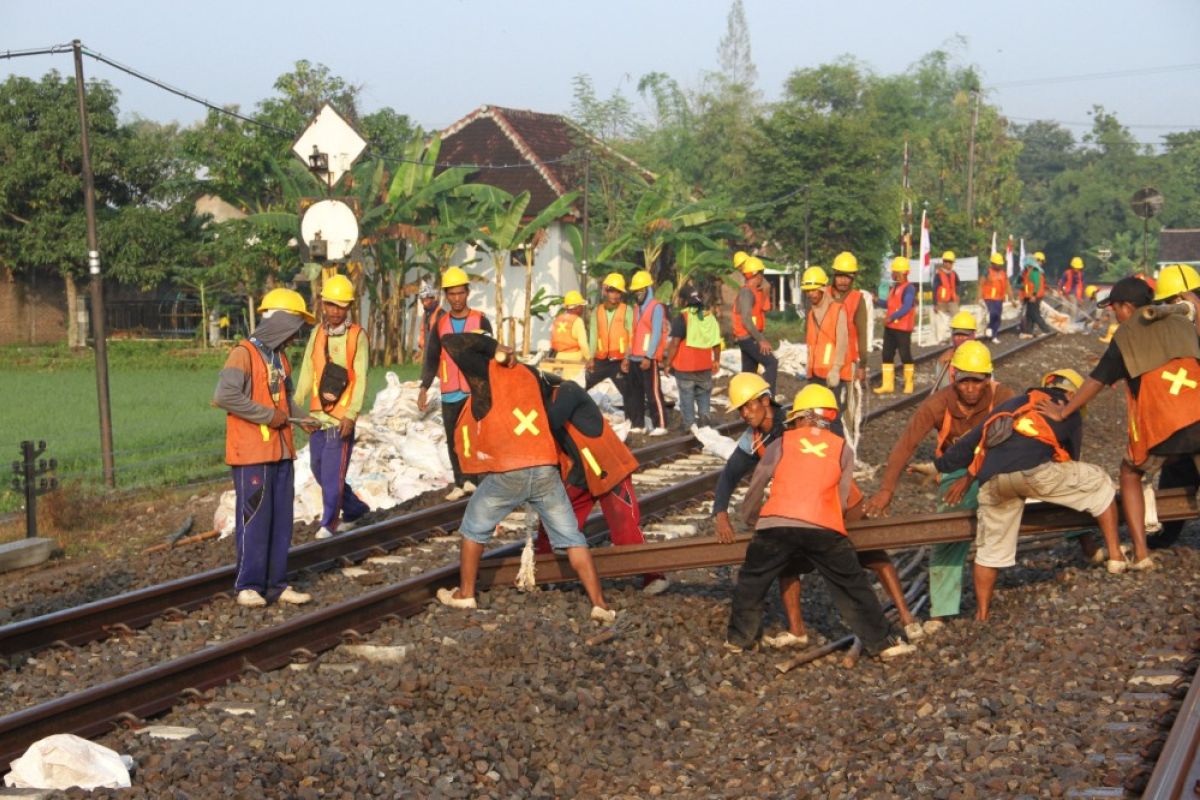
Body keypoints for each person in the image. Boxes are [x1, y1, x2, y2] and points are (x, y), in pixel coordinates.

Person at [716, 374, 922, 646]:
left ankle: (907, 618)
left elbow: (832, 456)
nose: (744, 413)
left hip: (835, 495)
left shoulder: (802, 418)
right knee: (786, 563)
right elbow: (730, 475)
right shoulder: (753, 438)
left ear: (765, 401)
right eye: (740, 409)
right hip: (802, 507)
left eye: (748, 406)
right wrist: (720, 512)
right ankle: (797, 630)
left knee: (870, 553)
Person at [435, 333, 615, 622]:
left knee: (473, 526)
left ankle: (465, 593)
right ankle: (600, 604)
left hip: (510, 469)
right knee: (572, 538)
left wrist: (493, 348)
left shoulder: (485, 375)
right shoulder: (529, 374)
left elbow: (450, 341)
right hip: (545, 466)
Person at [1037, 276, 1200, 570]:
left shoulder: (1126, 336)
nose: (1115, 315)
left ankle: (1140, 554)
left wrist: (1063, 412)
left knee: (1129, 472)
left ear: (1127, 306)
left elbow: (1096, 381)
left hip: (1166, 425)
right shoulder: (1184, 323)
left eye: (1115, 309)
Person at [936, 369, 1121, 620]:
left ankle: (982, 614)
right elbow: (1071, 459)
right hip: (1035, 474)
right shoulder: (1069, 408)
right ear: (1072, 392)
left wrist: (940, 466)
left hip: (993, 481)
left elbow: (971, 442)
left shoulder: (1011, 405)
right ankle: (1116, 557)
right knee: (1099, 481)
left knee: (990, 550)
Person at [865, 341, 1017, 626]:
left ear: (988, 379)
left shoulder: (1004, 397)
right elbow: (905, 444)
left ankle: (1084, 542)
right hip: (957, 471)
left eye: (977, 381)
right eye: (964, 381)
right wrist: (887, 490)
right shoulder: (937, 405)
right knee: (948, 530)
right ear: (953, 378)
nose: (971, 388)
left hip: (999, 467)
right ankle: (943, 610)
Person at [213, 288, 315, 608]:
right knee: (255, 519)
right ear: (280, 322)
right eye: (294, 329)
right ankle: (249, 585)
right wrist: (270, 416)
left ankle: (277, 584)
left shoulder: (280, 357)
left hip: (281, 452)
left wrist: (303, 419)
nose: (295, 338)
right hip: (252, 454)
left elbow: (285, 400)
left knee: (281, 520)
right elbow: (225, 396)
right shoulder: (242, 353)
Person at [537, 380, 669, 594]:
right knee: (550, 520)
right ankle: (545, 574)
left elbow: (552, 420)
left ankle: (654, 576)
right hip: (582, 472)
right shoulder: (545, 404)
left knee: (625, 527)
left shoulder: (567, 390)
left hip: (608, 468)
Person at [292, 274, 371, 540]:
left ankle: (329, 522)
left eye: (341, 306)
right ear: (323, 305)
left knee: (333, 475)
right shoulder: (316, 334)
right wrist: (295, 407)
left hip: (341, 420)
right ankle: (355, 508)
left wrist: (352, 414)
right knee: (318, 469)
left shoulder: (357, 336)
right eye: (330, 305)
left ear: (349, 307)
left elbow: (360, 378)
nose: (335, 311)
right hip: (317, 418)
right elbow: (306, 372)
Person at [418, 266, 493, 501]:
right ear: (446, 296)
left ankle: (477, 479)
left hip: (476, 390)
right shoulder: (440, 324)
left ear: (467, 293)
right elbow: (431, 356)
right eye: (452, 294)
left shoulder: (480, 319)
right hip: (451, 390)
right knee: (453, 438)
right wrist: (424, 387)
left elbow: (492, 353)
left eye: (461, 293)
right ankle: (461, 481)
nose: (457, 299)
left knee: (476, 436)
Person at [1148, 265, 1200, 548]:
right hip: (1185, 415)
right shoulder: (1173, 327)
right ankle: (1169, 530)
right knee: (1178, 469)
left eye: (1172, 302)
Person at [663, 290, 722, 430]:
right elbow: (716, 343)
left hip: (685, 368)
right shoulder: (710, 318)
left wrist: (667, 364)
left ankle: (689, 425)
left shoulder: (682, 318)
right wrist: (717, 360)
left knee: (686, 397)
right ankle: (705, 422)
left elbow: (675, 343)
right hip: (705, 367)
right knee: (703, 396)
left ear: (684, 302)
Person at [827, 251, 870, 443]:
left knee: (851, 405)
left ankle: (849, 439)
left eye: (848, 277)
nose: (843, 281)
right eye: (840, 276)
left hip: (849, 360)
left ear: (853, 278)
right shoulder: (823, 294)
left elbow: (862, 332)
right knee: (829, 402)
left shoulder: (857, 299)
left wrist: (863, 364)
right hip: (827, 360)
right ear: (834, 275)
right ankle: (832, 437)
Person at [624, 269, 669, 435]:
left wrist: (649, 356)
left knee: (653, 393)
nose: (637, 294)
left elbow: (656, 334)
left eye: (640, 290)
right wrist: (628, 356)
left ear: (648, 289)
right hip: (635, 357)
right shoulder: (637, 308)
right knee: (635, 393)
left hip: (647, 358)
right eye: (635, 291)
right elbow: (634, 333)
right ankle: (638, 423)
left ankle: (661, 425)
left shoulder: (656, 307)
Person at [586, 272, 636, 421]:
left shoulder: (627, 310)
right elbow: (593, 335)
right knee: (585, 386)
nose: (615, 295)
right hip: (601, 359)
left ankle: (632, 421)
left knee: (627, 391)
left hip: (620, 360)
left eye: (618, 292)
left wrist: (627, 357)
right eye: (612, 291)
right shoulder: (598, 310)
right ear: (605, 291)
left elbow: (632, 335)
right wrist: (590, 357)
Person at [802, 266, 851, 406]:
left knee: (832, 417)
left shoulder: (837, 310)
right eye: (807, 291)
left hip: (831, 375)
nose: (810, 294)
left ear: (822, 288)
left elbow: (842, 343)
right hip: (814, 374)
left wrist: (836, 369)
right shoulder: (811, 314)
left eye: (813, 290)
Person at [731, 253, 778, 394]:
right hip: (748, 337)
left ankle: (747, 399)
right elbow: (746, 320)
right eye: (762, 274)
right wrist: (761, 340)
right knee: (771, 363)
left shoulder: (752, 291)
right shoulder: (747, 292)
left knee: (748, 373)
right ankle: (768, 399)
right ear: (758, 275)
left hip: (748, 337)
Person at [876, 255, 917, 395]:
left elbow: (906, 307)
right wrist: (877, 301)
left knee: (905, 355)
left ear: (903, 273)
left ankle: (909, 383)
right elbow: (890, 304)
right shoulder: (894, 288)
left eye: (895, 272)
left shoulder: (909, 289)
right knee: (886, 354)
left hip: (902, 328)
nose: (893, 274)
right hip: (891, 328)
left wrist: (892, 317)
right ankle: (888, 384)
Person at [931, 311, 979, 392]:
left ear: (973, 335)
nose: (960, 338)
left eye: (964, 335)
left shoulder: (980, 356)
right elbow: (943, 390)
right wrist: (940, 364)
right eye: (957, 335)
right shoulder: (947, 359)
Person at [549, 290, 591, 363]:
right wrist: (589, 359)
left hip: (558, 358)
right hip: (574, 360)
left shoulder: (558, 319)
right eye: (581, 306)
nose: (582, 309)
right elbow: (583, 344)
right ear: (577, 307)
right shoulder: (577, 321)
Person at [979, 253, 1012, 343]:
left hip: (999, 298)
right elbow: (981, 284)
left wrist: (1012, 298)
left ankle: (994, 335)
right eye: (998, 264)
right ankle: (989, 328)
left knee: (998, 317)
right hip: (988, 298)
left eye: (1000, 264)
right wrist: (978, 298)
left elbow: (1007, 285)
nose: (1000, 265)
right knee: (992, 313)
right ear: (993, 263)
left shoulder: (1003, 273)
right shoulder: (987, 272)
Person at [1019, 254, 1053, 338]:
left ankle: (1046, 330)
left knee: (1035, 314)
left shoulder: (1034, 272)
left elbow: (1037, 285)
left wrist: (1033, 295)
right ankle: (1028, 332)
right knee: (1029, 314)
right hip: (1031, 295)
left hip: (1034, 296)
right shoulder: (1031, 271)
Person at [932, 251, 961, 343]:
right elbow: (935, 289)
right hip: (941, 301)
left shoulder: (954, 274)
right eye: (946, 261)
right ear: (943, 262)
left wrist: (958, 295)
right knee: (942, 322)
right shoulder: (938, 275)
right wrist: (935, 304)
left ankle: (955, 338)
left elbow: (958, 285)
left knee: (957, 319)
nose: (948, 264)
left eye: (950, 262)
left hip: (952, 301)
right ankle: (941, 339)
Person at [416, 283, 444, 360]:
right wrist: (421, 349)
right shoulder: (426, 314)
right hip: (428, 354)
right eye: (422, 300)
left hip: (439, 354)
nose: (424, 303)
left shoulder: (441, 314)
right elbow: (423, 332)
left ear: (433, 298)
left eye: (426, 300)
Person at [1058, 256, 1086, 321]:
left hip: (1075, 296)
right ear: (1072, 267)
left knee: (1074, 310)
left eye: (1078, 268)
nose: (1077, 269)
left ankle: (1072, 323)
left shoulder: (1081, 275)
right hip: (1066, 294)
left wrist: (1081, 298)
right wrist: (1060, 291)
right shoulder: (1067, 273)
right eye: (1076, 268)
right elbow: (1061, 283)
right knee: (1065, 308)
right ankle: (1062, 322)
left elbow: (1082, 286)